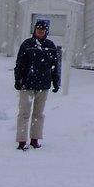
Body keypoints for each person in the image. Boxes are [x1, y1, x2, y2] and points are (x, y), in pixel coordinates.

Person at [14, 18, 60, 150]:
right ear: (34, 30)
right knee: (24, 113)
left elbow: (55, 66)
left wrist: (56, 82)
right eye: (38, 29)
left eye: (43, 29)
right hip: (27, 85)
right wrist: (18, 80)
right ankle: (22, 141)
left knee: (38, 114)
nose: (40, 31)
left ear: (46, 31)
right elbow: (20, 64)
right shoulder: (27, 45)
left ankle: (35, 139)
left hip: (43, 85)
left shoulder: (50, 46)